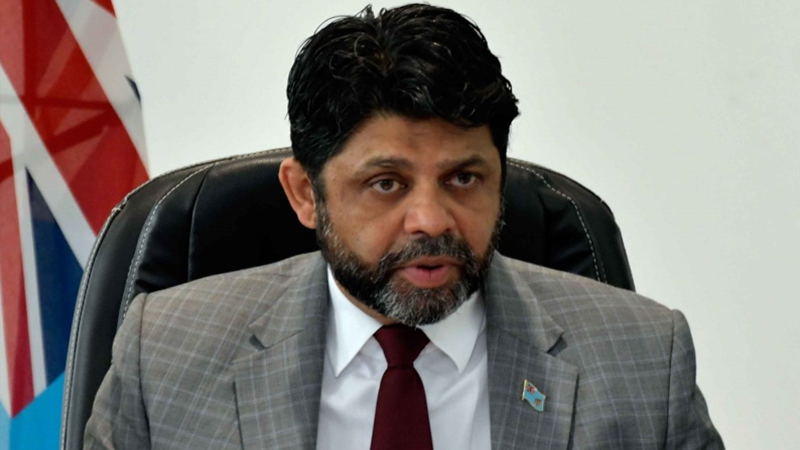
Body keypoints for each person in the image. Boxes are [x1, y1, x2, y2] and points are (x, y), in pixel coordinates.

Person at [84, 4, 723, 449]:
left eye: (463, 178)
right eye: (386, 183)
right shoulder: (165, 355)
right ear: (305, 194)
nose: (431, 220)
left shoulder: (644, 360)